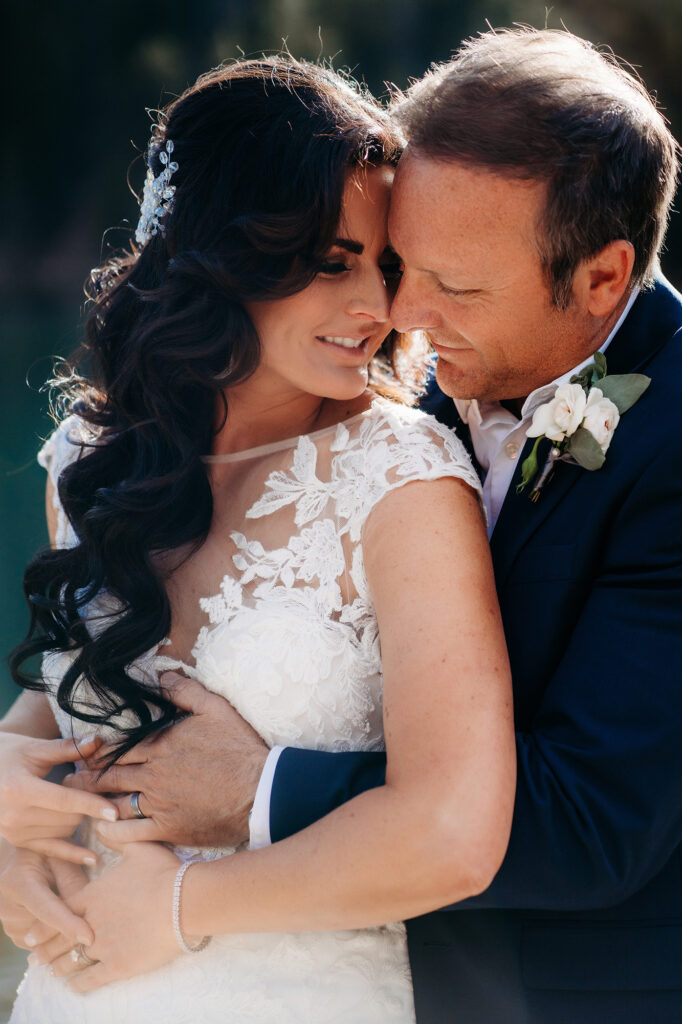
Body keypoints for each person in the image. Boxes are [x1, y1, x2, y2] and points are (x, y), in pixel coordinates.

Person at [18, 26, 681, 1023]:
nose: (398, 314)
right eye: (391, 259)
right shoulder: (424, 384)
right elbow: (103, 657)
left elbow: (588, 821)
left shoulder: (418, 461)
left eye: (445, 285)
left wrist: (254, 799)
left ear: (598, 277)